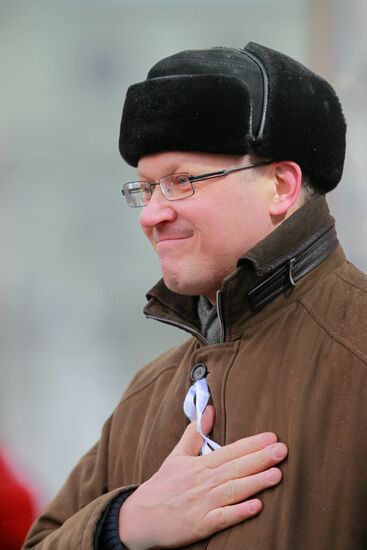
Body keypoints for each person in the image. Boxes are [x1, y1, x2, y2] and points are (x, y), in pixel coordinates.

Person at [23, 42, 367, 550]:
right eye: (145, 188)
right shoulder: (148, 392)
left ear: (281, 186)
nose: (149, 215)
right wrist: (124, 523)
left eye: (182, 181)